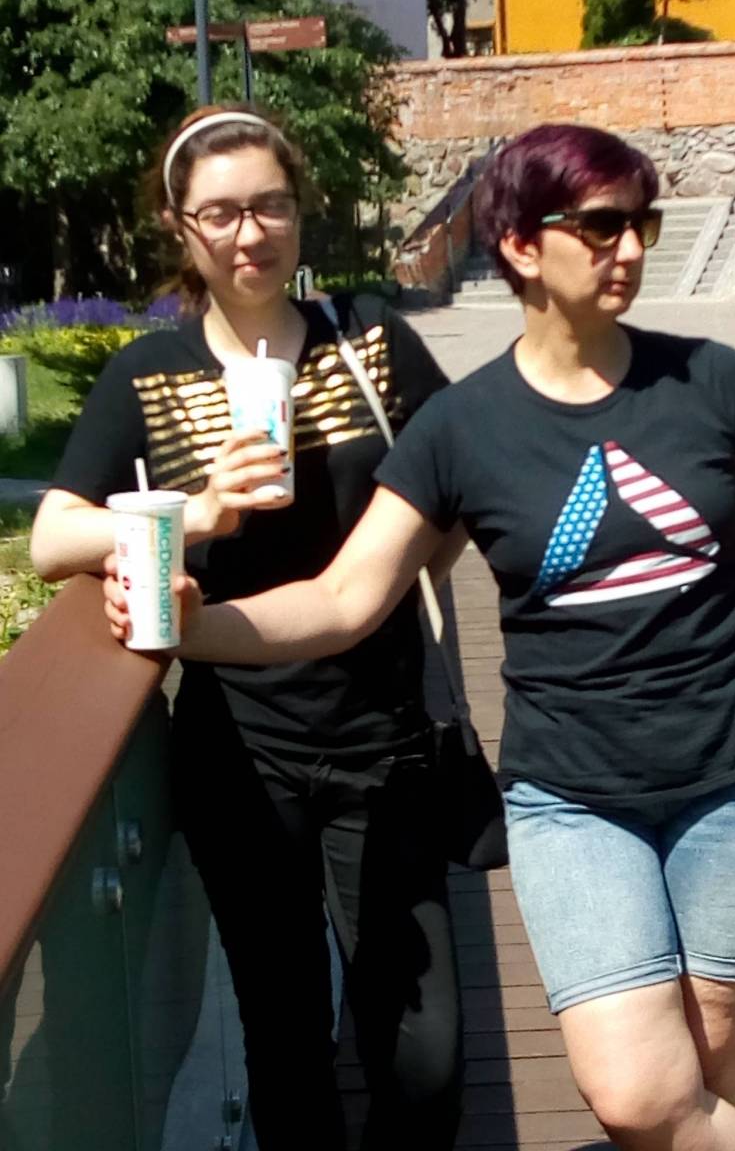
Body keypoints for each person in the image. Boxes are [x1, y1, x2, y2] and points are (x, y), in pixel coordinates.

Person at [106, 122, 735, 1151]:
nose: (629, 248)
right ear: (522, 244)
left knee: (705, 1065)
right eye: (601, 226)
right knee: (637, 1093)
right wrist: (189, 629)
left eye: (643, 223)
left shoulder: (714, 383)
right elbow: (346, 599)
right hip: (572, 794)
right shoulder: (461, 427)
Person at [30, 104, 468, 1151]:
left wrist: (407, 560)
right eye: (220, 213)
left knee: (424, 1049)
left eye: (269, 205)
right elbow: (52, 536)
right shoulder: (149, 373)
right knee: (284, 1035)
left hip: (384, 734)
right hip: (239, 748)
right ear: (181, 227)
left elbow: (458, 483)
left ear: (299, 210)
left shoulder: (372, 342)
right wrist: (199, 514)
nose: (248, 233)